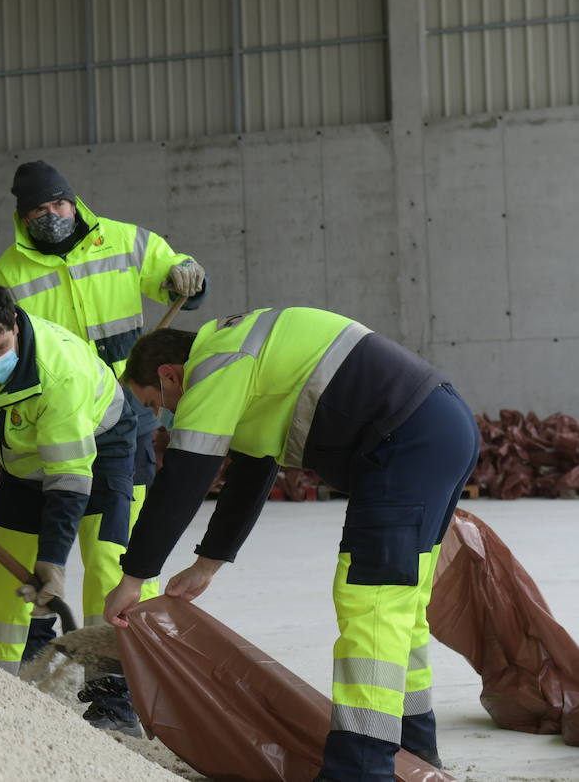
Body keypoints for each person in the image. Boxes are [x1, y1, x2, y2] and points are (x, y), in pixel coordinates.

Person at [104, 307, 480, 780]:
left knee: (371, 600)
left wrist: (135, 576)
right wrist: (208, 564)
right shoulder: (245, 356)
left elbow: (185, 475)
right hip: (441, 427)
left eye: (158, 402)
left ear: (169, 375)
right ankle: (414, 749)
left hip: (404, 441)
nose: (166, 416)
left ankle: (361, 770)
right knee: (401, 602)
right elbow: (251, 469)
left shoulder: (215, 364)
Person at [0, 160, 207, 656]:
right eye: (40, 209)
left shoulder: (124, 241)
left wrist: (186, 275)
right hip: (58, 426)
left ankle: (117, 675)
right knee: (49, 542)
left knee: (115, 553)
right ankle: (39, 649)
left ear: (74, 201)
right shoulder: (9, 273)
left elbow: (178, 280)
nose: (52, 214)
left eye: (59, 203)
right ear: (23, 218)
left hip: (124, 421)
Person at [0, 279, 140, 734]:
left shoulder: (59, 374)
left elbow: (68, 481)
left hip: (100, 448)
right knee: (0, 576)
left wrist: (52, 561)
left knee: (107, 566)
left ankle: (114, 697)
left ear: (14, 323)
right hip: (21, 457)